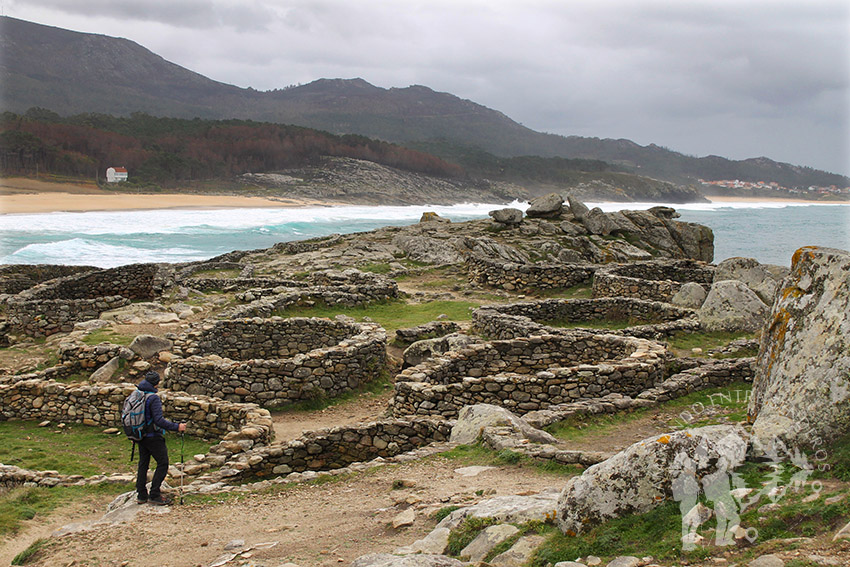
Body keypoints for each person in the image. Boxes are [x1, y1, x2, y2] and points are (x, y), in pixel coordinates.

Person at [135, 370, 186, 505]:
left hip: (140, 435)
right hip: (153, 436)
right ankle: (155, 494)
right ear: (156, 383)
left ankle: (141, 495)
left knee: (143, 464)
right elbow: (159, 420)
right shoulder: (153, 398)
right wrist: (177, 427)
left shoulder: (138, 393)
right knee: (163, 463)